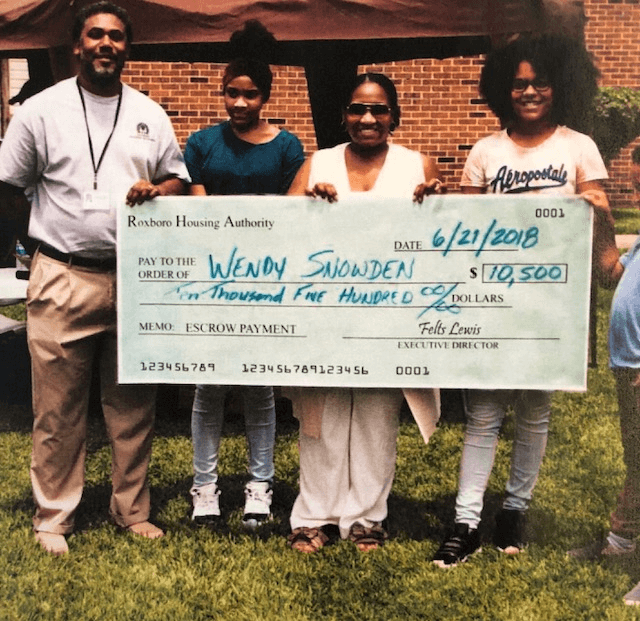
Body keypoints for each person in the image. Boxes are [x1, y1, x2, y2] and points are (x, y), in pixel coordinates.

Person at [0, 1, 189, 555]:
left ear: (127, 48)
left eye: (116, 37)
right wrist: (33, 247)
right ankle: (53, 518)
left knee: (132, 406)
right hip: (63, 274)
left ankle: (132, 511)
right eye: (95, 35)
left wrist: (159, 190)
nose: (106, 44)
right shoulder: (41, 110)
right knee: (57, 410)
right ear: (77, 46)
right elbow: (10, 186)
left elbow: (177, 178)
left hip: (133, 277)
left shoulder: (150, 113)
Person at [432, 34, 609, 568]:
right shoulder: (487, 151)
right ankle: (465, 521)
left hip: (554, 300)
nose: (529, 91)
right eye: (518, 83)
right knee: (483, 411)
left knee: (534, 411)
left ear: (560, 87)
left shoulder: (579, 146)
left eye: (540, 82)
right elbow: (466, 229)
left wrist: (596, 207)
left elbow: (601, 221)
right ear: (502, 90)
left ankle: (514, 510)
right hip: (495, 295)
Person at [285, 72, 442, 553]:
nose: (367, 118)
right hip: (325, 315)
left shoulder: (418, 164)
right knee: (322, 416)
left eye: (378, 109)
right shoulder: (319, 163)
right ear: (344, 115)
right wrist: (307, 203)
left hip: (388, 319)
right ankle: (314, 515)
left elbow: (444, 240)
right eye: (357, 108)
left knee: (377, 417)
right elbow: (280, 229)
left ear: (394, 115)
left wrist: (436, 204)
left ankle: (367, 519)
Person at [183, 21, 304, 527]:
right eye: (231, 92)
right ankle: (205, 488)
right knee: (208, 388)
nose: (238, 103)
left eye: (249, 94)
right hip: (212, 279)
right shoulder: (201, 145)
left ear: (265, 96)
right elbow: (197, 212)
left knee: (259, 387)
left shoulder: (287, 147)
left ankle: (260, 485)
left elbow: (294, 212)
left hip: (265, 281)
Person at [567, 193, 640, 606]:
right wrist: (605, 221)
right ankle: (621, 539)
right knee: (637, 458)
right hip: (628, 364)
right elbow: (611, 271)